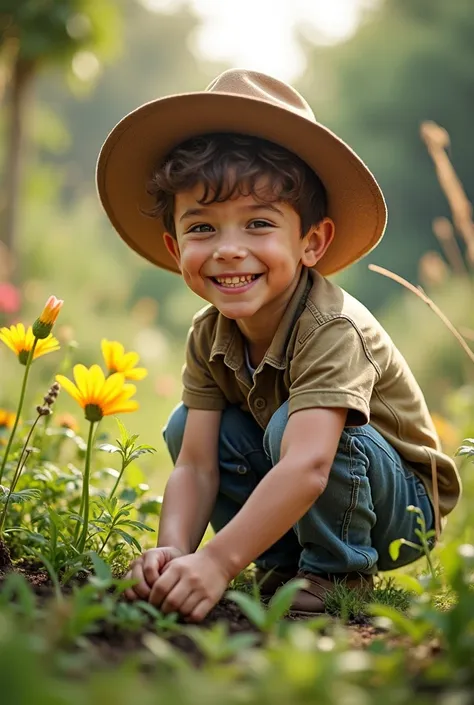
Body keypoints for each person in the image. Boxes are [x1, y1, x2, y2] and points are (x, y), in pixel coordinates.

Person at [96, 68, 461, 622]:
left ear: (311, 241)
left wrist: (218, 562)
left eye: (258, 224)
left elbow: (312, 462)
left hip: (399, 507)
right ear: (174, 247)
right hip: (305, 475)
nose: (228, 250)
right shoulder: (208, 332)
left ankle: (341, 571)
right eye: (202, 229)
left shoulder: (330, 327)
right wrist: (175, 550)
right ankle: (286, 561)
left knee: (299, 424)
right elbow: (195, 465)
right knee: (184, 424)